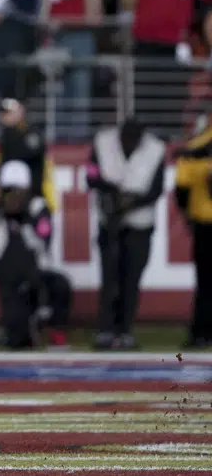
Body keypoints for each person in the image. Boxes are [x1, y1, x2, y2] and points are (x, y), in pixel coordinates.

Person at [0, 161, 71, 350]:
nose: (14, 197)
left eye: (19, 191)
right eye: (10, 191)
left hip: (36, 274)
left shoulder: (37, 207)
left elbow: (45, 232)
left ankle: (55, 332)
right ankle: (23, 329)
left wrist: (24, 216)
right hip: (10, 282)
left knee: (61, 285)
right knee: (18, 340)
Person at [86, 118, 166, 350]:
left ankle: (125, 331)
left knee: (131, 280)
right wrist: (112, 195)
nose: (129, 143)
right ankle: (105, 330)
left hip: (140, 224)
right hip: (109, 221)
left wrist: (131, 202)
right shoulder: (102, 142)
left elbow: (157, 189)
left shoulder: (155, 149)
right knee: (109, 277)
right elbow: (91, 175)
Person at [174, 113, 212, 348]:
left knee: (206, 281)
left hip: (205, 223)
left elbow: (182, 188)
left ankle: (201, 332)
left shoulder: (194, 149)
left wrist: (188, 214)